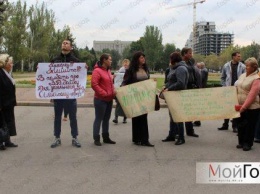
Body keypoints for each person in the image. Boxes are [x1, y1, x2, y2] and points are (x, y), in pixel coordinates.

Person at [49, 39, 82, 148]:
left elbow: (80, 75)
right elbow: (49, 76)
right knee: (57, 117)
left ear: (71, 47)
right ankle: (57, 137)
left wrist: (84, 69)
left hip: (71, 95)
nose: (64, 44)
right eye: (63, 43)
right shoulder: (55, 60)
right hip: (58, 96)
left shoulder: (75, 60)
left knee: (73, 117)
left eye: (67, 43)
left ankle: (75, 137)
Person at [122, 51, 154, 147]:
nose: (143, 59)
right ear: (136, 59)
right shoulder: (130, 70)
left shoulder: (146, 69)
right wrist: (122, 90)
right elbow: (125, 82)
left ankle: (144, 139)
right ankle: (136, 138)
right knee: (136, 117)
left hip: (144, 97)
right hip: (135, 97)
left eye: (144, 57)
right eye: (141, 57)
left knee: (144, 117)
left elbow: (147, 81)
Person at [161, 52, 189, 145]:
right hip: (173, 95)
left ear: (174, 59)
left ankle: (181, 137)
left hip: (178, 95)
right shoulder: (174, 68)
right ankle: (172, 135)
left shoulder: (181, 68)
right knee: (172, 116)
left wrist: (169, 88)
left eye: (170, 59)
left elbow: (180, 83)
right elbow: (171, 80)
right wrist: (166, 87)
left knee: (178, 116)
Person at [235, 57, 260, 151]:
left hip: (252, 107)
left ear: (254, 67)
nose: (246, 67)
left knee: (250, 126)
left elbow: (252, 95)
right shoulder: (242, 75)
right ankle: (241, 142)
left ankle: (248, 144)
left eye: (248, 66)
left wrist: (244, 107)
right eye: (246, 65)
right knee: (241, 125)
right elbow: (237, 88)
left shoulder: (256, 79)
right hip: (240, 105)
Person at [91, 53, 116, 146]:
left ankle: (106, 137)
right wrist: (104, 93)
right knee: (99, 118)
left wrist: (113, 91)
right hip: (100, 100)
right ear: (104, 60)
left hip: (109, 99)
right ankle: (96, 138)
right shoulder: (97, 71)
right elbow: (94, 84)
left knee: (106, 119)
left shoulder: (108, 70)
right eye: (109, 59)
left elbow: (110, 84)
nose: (111, 61)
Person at [218, 52, 245, 132]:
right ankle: (225, 124)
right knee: (226, 107)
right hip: (228, 89)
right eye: (238, 56)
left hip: (238, 89)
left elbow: (244, 78)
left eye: (240, 56)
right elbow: (223, 77)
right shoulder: (226, 65)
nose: (239, 58)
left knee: (236, 108)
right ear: (233, 57)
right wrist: (224, 86)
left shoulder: (242, 66)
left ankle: (235, 125)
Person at [0, 54, 18, 150]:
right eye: (10, 63)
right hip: (2, 103)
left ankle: (7, 141)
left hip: (9, 103)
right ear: (5, 63)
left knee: (8, 122)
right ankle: (1, 142)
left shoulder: (8, 73)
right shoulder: (0, 73)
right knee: (2, 123)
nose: (12, 64)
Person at [181, 48, 200, 137]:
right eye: (189, 53)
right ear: (184, 54)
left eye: (191, 53)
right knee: (182, 111)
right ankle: (179, 132)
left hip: (191, 88)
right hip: (184, 89)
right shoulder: (181, 63)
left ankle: (190, 130)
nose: (191, 54)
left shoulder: (190, 62)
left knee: (190, 110)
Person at [112, 59, 130, 124]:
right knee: (118, 103)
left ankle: (124, 118)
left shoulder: (130, 72)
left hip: (126, 89)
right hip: (119, 89)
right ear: (123, 64)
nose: (125, 66)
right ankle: (116, 118)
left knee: (125, 104)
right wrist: (114, 77)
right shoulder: (119, 71)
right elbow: (114, 81)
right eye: (124, 64)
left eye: (127, 64)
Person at [193, 62, 208, 127]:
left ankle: (197, 121)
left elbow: (201, 79)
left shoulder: (203, 71)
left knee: (197, 106)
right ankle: (197, 121)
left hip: (200, 88)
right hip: (201, 88)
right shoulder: (204, 70)